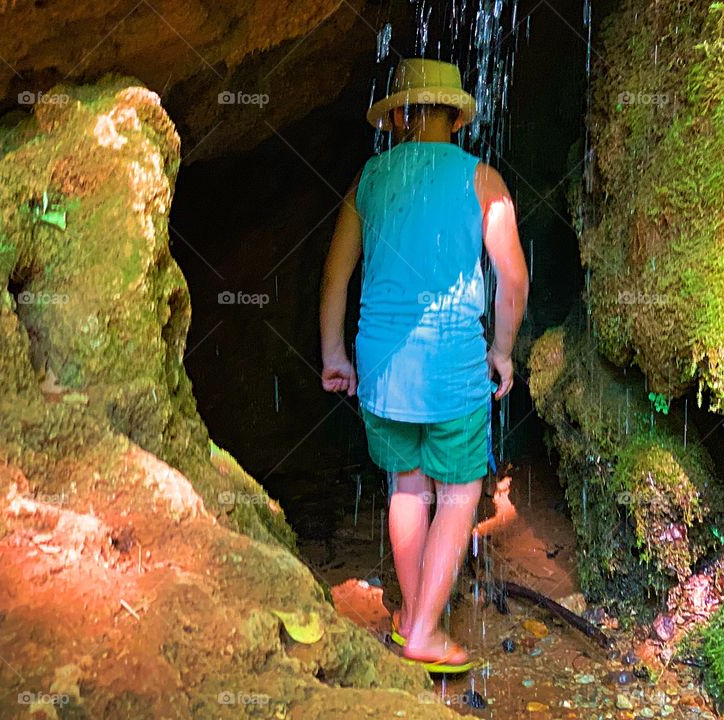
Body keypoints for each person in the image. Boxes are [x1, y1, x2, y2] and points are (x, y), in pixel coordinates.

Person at [319, 58, 528, 672]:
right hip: (451, 368)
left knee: (406, 486)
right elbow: (511, 280)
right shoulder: (481, 179)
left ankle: (411, 616)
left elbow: (337, 274)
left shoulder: (370, 177)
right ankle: (424, 633)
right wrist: (502, 350)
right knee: (460, 493)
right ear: (454, 117)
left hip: (381, 370)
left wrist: (334, 355)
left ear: (402, 115)